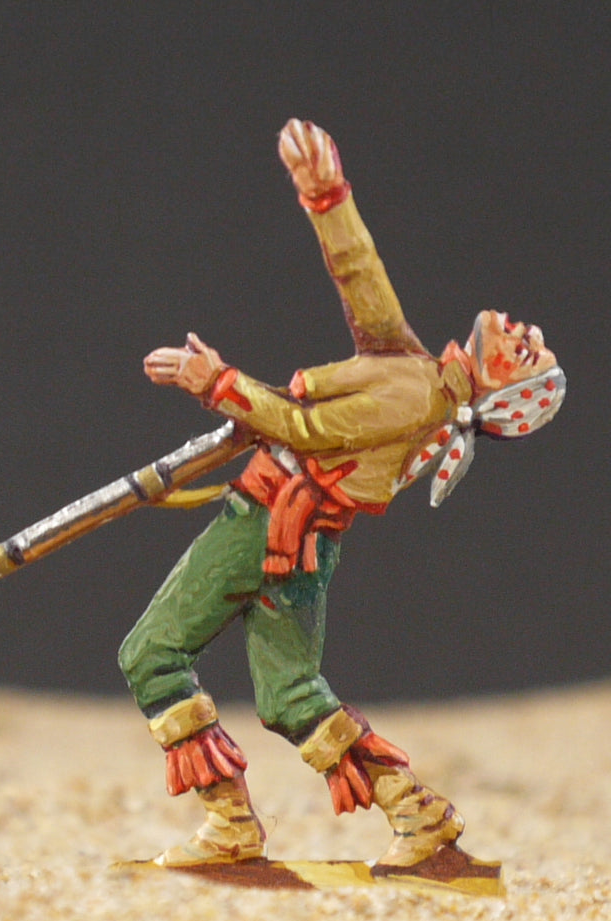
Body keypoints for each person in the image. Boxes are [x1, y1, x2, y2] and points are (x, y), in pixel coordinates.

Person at [118, 119, 565, 875]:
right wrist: (325, 195)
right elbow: (362, 280)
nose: (529, 333)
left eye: (528, 355)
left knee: (151, 652)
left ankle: (230, 823)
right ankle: (417, 813)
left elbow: (306, 430)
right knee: (291, 695)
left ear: (500, 387)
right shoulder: (418, 371)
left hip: (266, 524)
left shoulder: (414, 398)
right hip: (298, 544)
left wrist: (219, 384)